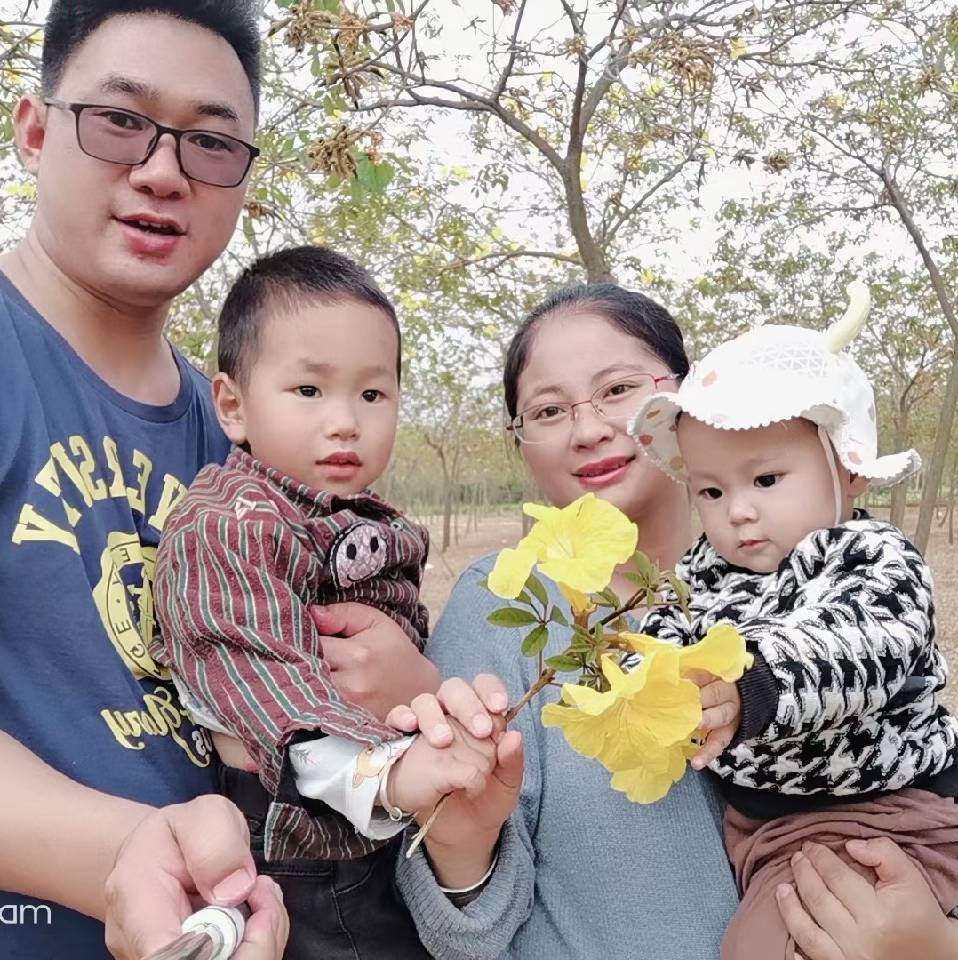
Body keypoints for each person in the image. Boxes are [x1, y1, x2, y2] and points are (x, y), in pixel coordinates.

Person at [373, 282, 958, 960]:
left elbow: (866, 656)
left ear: (685, 399)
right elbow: (465, 932)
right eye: (549, 409)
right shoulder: (509, 603)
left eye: (617, 389)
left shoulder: (836, 561)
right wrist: (459, 839)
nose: (588, 429)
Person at [1, 3, 279, 956]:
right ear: (35, 132)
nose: (163, 171)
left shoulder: (237, 436)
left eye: (211, 142)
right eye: (120, 121)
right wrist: (126, 855)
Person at [152, 245, 501, 959]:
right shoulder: (230, 525)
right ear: (232, 406)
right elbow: (265, 684)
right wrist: (383, 774)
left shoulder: (368, 519)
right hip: (298, 835)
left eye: (372, 395)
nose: (345, 421)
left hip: (390, 815)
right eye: (309, 390)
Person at [626, 284, 958, 958]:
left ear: (848, 470)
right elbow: (665, 637)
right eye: (711, 490)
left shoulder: (871, 556)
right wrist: (639, 678)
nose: (738, 510)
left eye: (766, 480)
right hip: (765, 827)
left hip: (886, 813)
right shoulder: (703, 571)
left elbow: (860, 650)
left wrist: (750, 680)